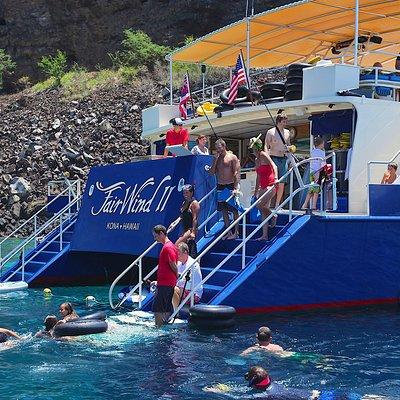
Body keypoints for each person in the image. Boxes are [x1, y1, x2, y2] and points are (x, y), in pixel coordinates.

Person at [209, 138, 241, 239]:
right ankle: (228, 231)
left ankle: (236, 232)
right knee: (224, 210)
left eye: (219, 148)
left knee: (234, 209)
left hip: (230, 185)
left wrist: (235, 187)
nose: (218, 150)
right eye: (216, 149)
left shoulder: (232, 157)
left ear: (224, 146)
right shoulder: (216, 158)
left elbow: (236, 173)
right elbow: (211, 172)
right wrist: (215, 160)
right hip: (220, 185)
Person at [249, 135, 278, 241]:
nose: (252, 149)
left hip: (271, 184)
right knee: (262, 211)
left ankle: (273, 216)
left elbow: (274, 166)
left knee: (259, 205)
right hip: (263, 185)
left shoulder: (263, 154)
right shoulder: (257, 159)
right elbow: (258, 176)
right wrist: (256, 191)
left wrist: (276, 178)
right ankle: (264, 235)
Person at [151, 224, 179, 327]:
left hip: (165, 283)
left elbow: (172, 263)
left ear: (161, 233)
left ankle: (158, 328)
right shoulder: (170, 246)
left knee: (157, 308)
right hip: (167, 283)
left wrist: (176, 274)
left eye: (156, 236)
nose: (155, 239)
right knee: (166, 307)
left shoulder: (168, 247)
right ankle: (164, 328)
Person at [265, 113, 291, 208]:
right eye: (284, 122)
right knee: (273, 182)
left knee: (282, 183)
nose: (285, 123)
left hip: (283, 158)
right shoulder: (271, 132)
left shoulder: (287, 132)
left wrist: (290, 156)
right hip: (273, 158)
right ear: (279, 122)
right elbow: (266, 146)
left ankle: (277, 204)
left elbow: (288, 145)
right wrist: (267, 159)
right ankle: (270, 202)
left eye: (286, 121)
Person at [170, 184, 200, 258]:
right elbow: (181, 216)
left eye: (187, 192)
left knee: (177, 245)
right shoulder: (184, 203)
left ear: (191, 192)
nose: (185, 195)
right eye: (184, 193)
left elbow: (195, 218)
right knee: (188, 247)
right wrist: (174, 223)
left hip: (191, 229)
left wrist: (193, 232)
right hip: (185, 228)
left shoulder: (195, 203)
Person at [172, 242, 203, 309]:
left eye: (178, 254)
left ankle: (176, 313)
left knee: (172, 289)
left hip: (194, 293)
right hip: (183, 289)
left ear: (185, 252)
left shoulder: (193, 264)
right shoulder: (179, 264)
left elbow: (187, 283)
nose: (177, 256)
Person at [302, 136, 326, 210]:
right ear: (321, 144)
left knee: (311, 189)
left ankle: (305, 205)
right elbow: (323, 163)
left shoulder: (312, 152)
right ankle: (313, 206)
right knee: (316, 190)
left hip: (312, 172)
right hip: (318, 172)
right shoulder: (322, 152)